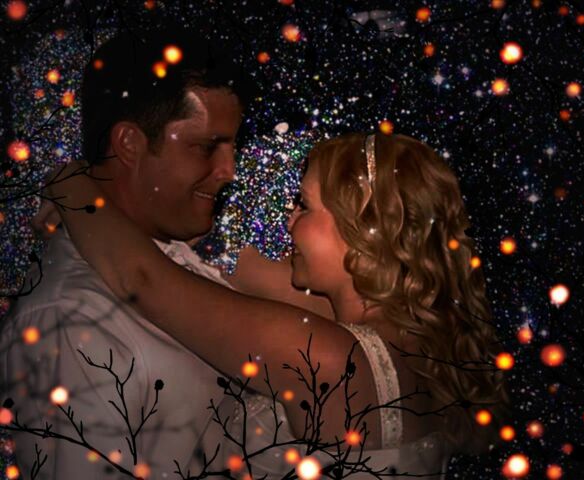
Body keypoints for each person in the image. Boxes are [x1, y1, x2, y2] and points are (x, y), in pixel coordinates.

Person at [45, 132, 510, 478]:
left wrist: (70, 185)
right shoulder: (414, 330)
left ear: (363, 231)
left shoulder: (325, 354)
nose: (289, 221)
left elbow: (142, 279)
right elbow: (243, 269)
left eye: (304, 206)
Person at [1, 27, 334, 479]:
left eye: (232, 147)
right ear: (129, 143)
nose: (229, 171)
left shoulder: (182, 260)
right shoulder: (70, 323)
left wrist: (70, 183)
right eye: (206, 147)